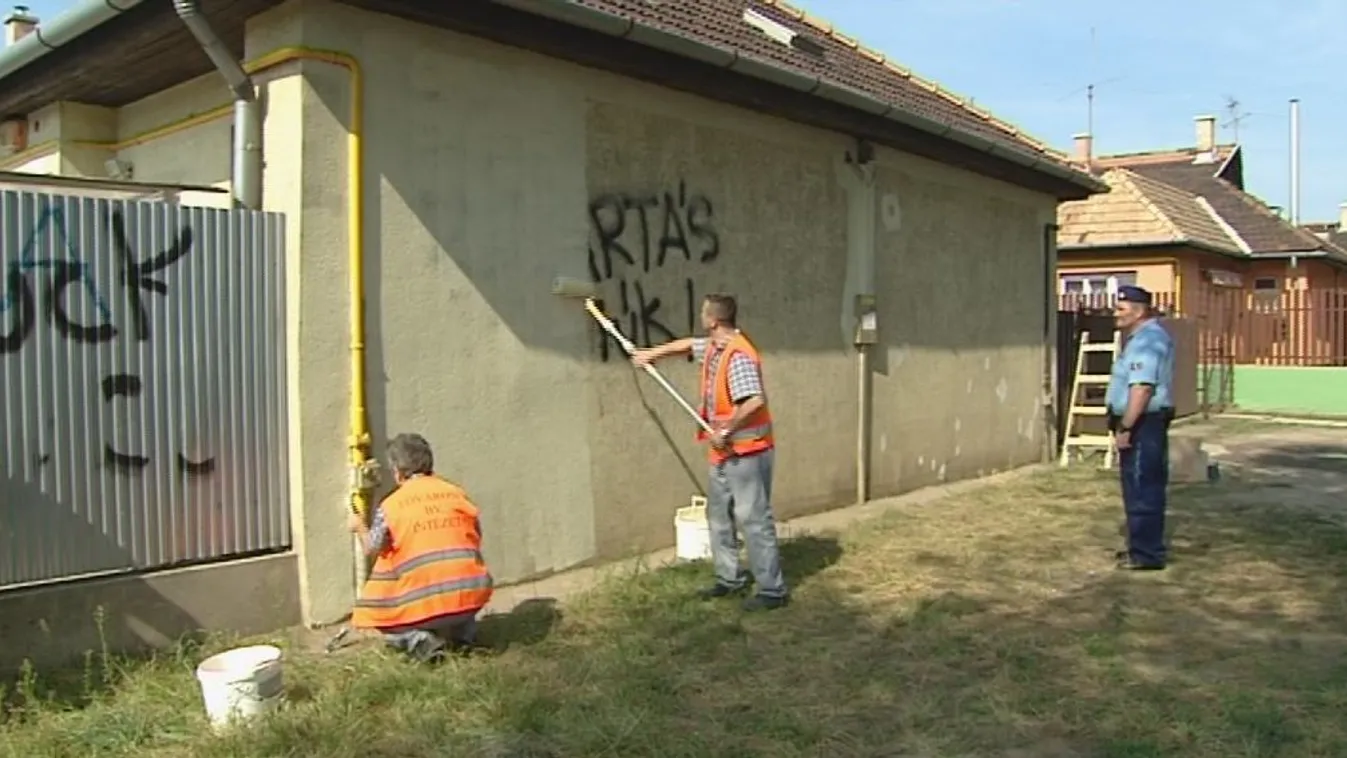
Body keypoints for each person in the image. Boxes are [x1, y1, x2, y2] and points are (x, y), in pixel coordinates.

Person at [633, 293, 789, 611]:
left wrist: (726, 430)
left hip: (746, 451)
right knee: (719, 516)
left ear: (713, 319)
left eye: (704, 314)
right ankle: (729, 579)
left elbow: (754, 401)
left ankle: (772, 590)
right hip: (723, 452)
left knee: (753, 518)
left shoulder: (738, 355)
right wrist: (651, 354)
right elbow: (689, 346)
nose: (701, 318)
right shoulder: (716, 347)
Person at [347, 433, 494, 661]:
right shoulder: (456, 493)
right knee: (455, 592)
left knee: (379, 613)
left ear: (397, 470)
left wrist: (359, 526)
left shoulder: (392, 505)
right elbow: (475, 536)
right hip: (472, 595)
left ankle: (419, 641)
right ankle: (463, 636)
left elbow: (371, 548)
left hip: (424, 602)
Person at [1106, 285, 1175, 571]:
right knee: (1137, 487)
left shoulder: (1148, 342)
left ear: (1139, 310)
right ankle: (1140, 548)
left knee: (1142, 486)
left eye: (1121, 309)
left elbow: (1142, 389)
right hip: (1142, 422)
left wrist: (1126, 428)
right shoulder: (1142, 339)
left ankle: (1146, 554)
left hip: (1143, 423)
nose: (1115, 314)